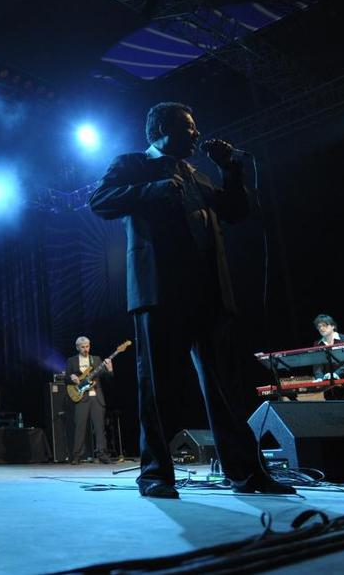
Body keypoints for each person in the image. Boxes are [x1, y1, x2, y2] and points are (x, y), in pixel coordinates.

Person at [89, 102, 295, 498]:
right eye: (189, 127)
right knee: (157, 387)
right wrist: (154, 190)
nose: (197, 134)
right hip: (160, 290)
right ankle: (155, 475)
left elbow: (237, 211)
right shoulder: (134, 164)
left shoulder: (197, 174)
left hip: (209, 291)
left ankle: (247, 473)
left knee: (225, 387)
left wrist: (229, 169)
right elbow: (100, 200)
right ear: (162, 130)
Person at [66, 336, 113, 464]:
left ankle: (102, 454)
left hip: (96, 397)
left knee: (99, 428)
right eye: (83, 347)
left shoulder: (96, 359)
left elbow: (106, 378)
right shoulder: (72, 361)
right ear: (77, 347)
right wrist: (72, 377)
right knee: (80, 427)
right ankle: (77, 456)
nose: (86, 349)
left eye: (87, 346)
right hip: (81, 397)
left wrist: (110, 370)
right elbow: (66, 379)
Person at [311, 314, 344, 381]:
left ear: (333, 326)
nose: (321, 328)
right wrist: (319, 378)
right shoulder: (317, 344)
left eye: (324, 325)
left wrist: (336, 374)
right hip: (328, 379)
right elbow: (317, 365)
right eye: (319, 326)